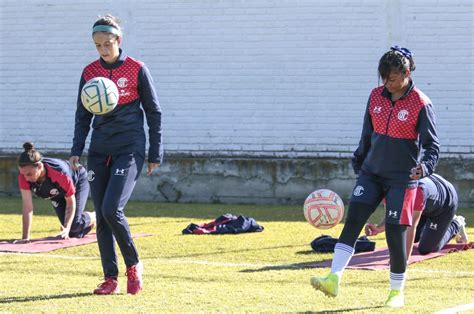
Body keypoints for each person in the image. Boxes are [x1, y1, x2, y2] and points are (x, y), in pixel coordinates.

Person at [310, 46, 440, 308]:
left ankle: (396, 292)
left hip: (402, 180)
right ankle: (333, 278)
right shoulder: (375, 96)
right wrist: (359, 162)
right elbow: (366, 135)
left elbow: (432, 146)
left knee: (394, 233)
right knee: (353, 221)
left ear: (405, 73)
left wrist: (424, 168)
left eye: (391, 79)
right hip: (371, 174)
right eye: (383, 78)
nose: (386, 84)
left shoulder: (421, 104)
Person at [70, 15, 163, 295]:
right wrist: (77, 149)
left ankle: (133, 265)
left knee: (112, 209)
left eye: (107, 44)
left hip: (129, 148)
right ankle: (110, 277)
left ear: (118, 40)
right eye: (98, 45)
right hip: (99, 149)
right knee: (101, 213)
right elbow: (82, 115)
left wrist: (154, 152)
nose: (103, 50)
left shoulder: (137, 69)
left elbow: (154, 112)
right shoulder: (89, 73)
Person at [365, 174, 468, 262]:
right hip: (427, 200)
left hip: (444, 204)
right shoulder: (388, 188)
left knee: (426, 248)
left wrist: (403, 260)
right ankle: (430, 225)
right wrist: (378, 228)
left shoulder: (416, 191)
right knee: (414, 238)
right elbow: (392, 217)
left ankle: (456, 223)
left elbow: (411, 226)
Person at [16, 142, 96, 242]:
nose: (26, 178)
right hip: (56, 192)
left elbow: (70, 202)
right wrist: (25, 238)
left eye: (29, 174)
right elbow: (27, 207)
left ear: (40, 167)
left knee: (73, 225)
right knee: (73, 233)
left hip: (78, 178)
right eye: (23, 174)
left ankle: (95, 216)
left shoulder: (59, 173)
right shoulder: (23, 176)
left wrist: (67, 227)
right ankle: (88, 223)